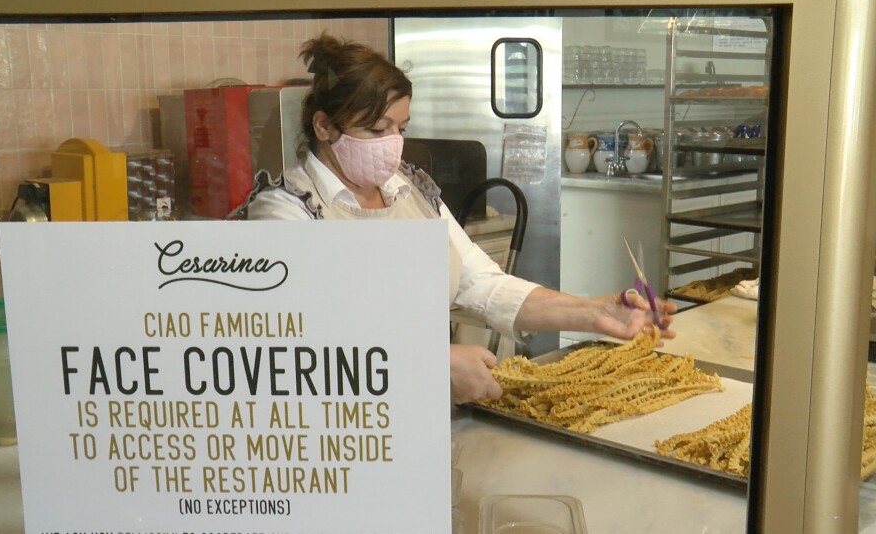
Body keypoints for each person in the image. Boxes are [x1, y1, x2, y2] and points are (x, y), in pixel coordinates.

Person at [245, 33, 676, 404]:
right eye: (377, 130)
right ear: (324, 126)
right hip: (346, 434)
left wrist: (592, 312)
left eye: (401, 128)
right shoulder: (286, 212)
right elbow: (299, 345)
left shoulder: (409, 190)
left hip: (424, 419)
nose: (393, 144)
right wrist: (430, 365)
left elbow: (481, 284)